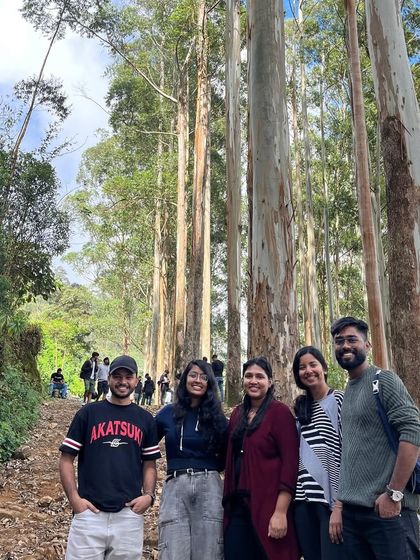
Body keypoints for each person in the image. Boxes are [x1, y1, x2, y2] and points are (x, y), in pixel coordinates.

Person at [331, 316, 420, 560]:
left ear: (367, 345)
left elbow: (413, 431)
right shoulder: (348, 390)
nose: (345, 346)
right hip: (353, 515)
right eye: (339, 341)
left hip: (387, 513)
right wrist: (339, 506)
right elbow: (350, 454)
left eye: (352, 340)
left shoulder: (384, 380)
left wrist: (394, 494)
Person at [59, 355, 161, 560]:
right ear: (109, 379)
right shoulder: (88, 413)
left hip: (128, 515)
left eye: (128, 377)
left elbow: (149, 464)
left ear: (136, 380)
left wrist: (148, 497)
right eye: (117, 376)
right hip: (89, 513)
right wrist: (75, 500)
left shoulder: (145, 419)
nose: (123, 382)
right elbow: (66, 458)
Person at [223, 356, 300, 560]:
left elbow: (290, 464)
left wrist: (281, 512)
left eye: (260, 376)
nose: (253, 381)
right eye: (248, 376)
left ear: (270, 382)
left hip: (269, 506)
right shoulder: (237, 414)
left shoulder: (280, 413)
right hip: (238, 505)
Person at [155, 359, 228, 560]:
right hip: (175, 485)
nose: (198, 380)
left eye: (204, 377)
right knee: (173, 550)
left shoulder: (217, 418)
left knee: (209, 552)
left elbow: (226, 455)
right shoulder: (168, 413)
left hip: (209, 486)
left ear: (210, 383)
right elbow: (146, 445)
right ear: (185, 378)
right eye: (193, 375)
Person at [293, 346, 344, 559]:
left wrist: (339, 506)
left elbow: (348, 452)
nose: (308, 370)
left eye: (313, 364)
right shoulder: (301, 408)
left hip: (330, 499)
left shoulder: (339, 400)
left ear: (323, 367)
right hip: (302, 498)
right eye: (302, 367)